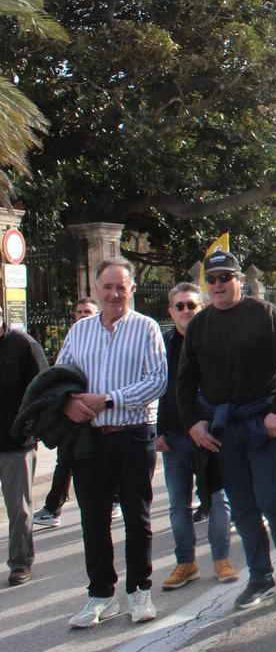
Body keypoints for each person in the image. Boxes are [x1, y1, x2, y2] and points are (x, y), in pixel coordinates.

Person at [176, 250, 276, 610]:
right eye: (213, 279)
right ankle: (261, 577)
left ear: (239, 280)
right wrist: (192, 422)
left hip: (262, 425)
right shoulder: (200, 325)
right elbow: (184, 380)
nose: (218, 284)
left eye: (225, 277)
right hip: (223, 431)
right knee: (243, 508)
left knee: (271, 499)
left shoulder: (264, 313)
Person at [56, 257, 168, 628]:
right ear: (96, 289)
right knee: (93, 519)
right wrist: (70, 402)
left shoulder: (147, 328)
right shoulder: (80, 331)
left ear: (132, 289)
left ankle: (139, 591)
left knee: (137, 517)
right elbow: (59, 376)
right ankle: (101, 594)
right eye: (107, 286)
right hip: (90, 440)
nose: (114, 293)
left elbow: (157, 381)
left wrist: (108, 399)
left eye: (121, 286)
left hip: (133, 434)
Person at [156, 283, 237, 591]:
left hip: (210, 435)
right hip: (175, 437)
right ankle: (186, 563)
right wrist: (160, 432)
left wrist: (215, 426)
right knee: (178, 505)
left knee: (217, 499)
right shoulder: (162, 345)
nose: (186, 311)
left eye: (191, 305)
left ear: (201, 308)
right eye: (180, 306)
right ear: (171, 311)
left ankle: (221, 559)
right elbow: (160, 391)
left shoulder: (215, 341)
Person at [32, 296, 98, 528]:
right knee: (65, 459)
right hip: (72, 411)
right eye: (79, 312)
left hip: (98, 411)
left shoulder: (102, 338)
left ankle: (113, 499)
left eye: (87, 312)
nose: (82, 315)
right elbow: (59, 372)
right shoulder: (74, 338)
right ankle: (53, 507)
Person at [0, 317, 49, 586]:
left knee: (18, 508)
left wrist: (32, 429)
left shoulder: (23, 345)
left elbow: (43, 390)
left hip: (14, 443)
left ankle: (20, 562)